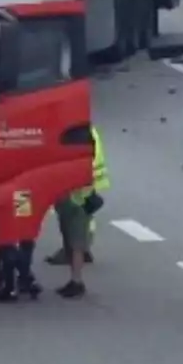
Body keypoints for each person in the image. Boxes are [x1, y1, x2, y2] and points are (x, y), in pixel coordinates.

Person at [49, 127, 110, 298]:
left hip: (77, 197)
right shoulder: (86, 130)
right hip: (77, 195)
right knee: (73, 236)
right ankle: (75, 277)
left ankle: (77, 281)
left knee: (76, 240)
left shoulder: (76, 134)